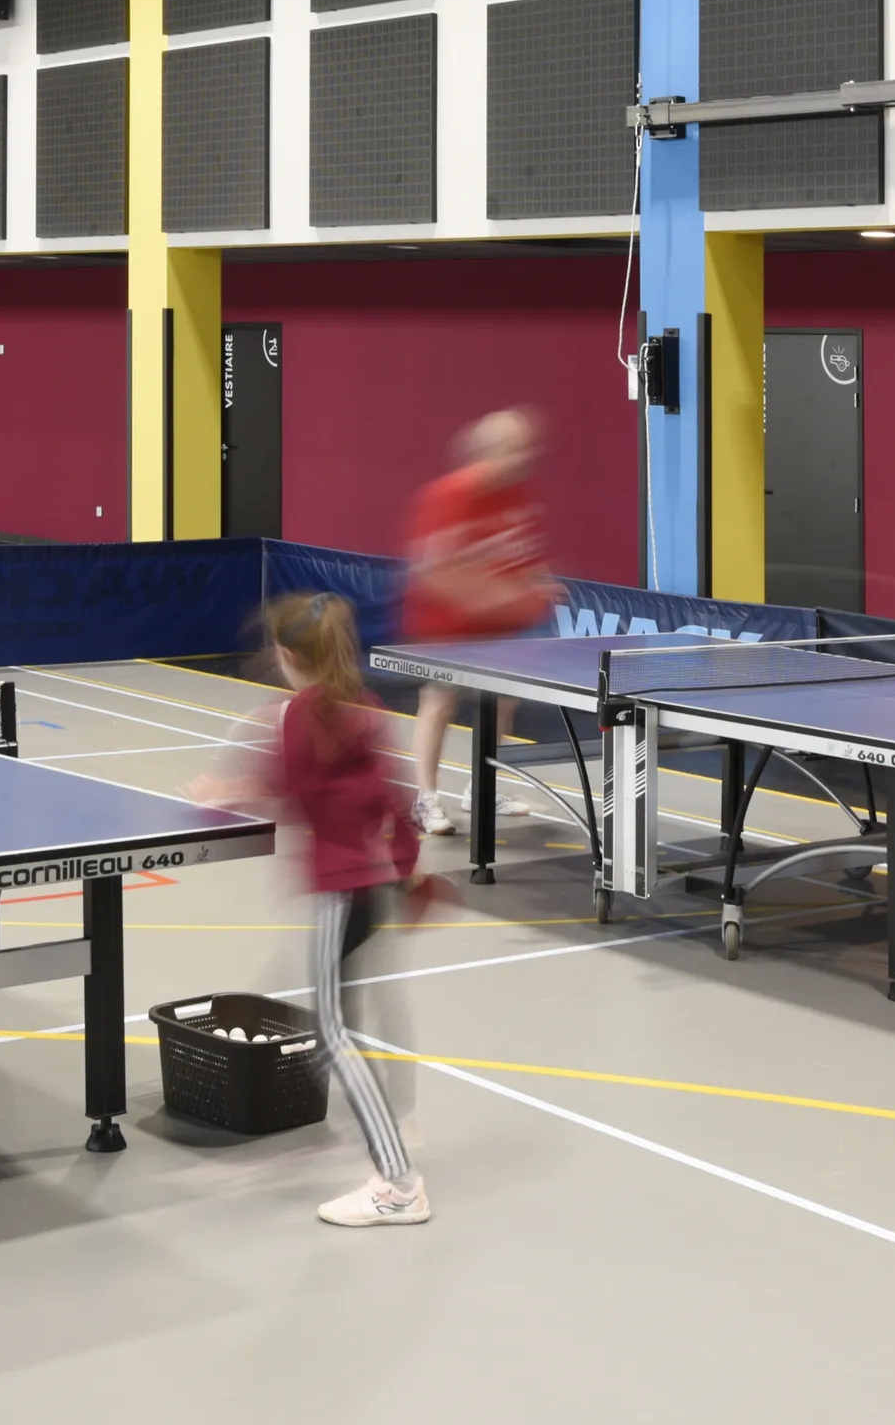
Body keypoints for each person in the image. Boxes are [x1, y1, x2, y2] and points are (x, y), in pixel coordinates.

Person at [263, 591, 430, 1228]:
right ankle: (393, 1129)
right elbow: (401, 802)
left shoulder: (298, 717)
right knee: (345, 1018)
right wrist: (406, 877)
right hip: (373, 888)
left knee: (332, 1031)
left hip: (339, 891)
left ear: (287, 655)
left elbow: (290, 797)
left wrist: (227, 791)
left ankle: (399, 1183)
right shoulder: (366, 706)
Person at [400, 409, 558, 836]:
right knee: (440, 702)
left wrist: (538, 582)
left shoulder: (516, 496)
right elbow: (433, 571)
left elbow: (523, 554)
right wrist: (499, 597)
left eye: (529, 448)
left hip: (500, 628)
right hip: (445, 626)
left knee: (504, 702)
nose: (527, 456)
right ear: (490, 450)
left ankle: (482, 789)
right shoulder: (448, 496)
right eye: (518, 449)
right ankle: (426, 798)